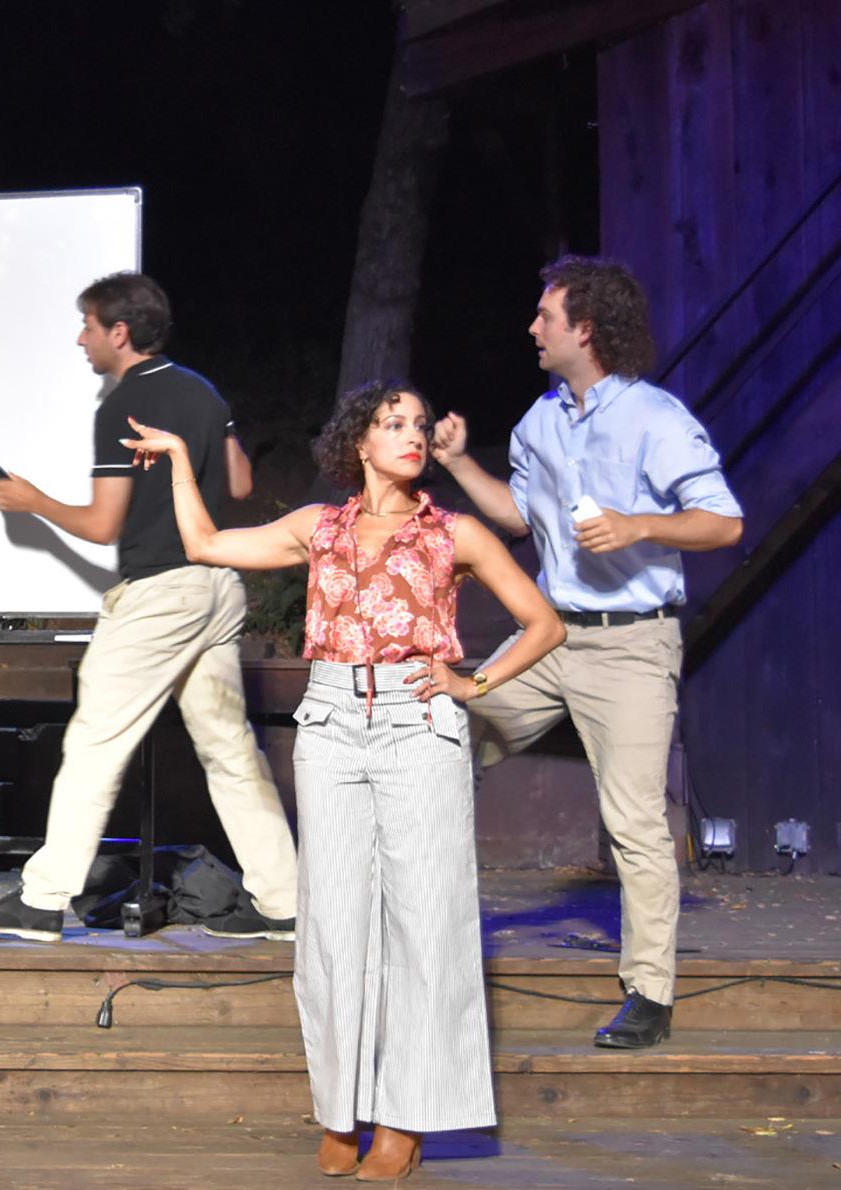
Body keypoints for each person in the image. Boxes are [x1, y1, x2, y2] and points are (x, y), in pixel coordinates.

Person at [123, 381, 564, 1181]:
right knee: (332, 925)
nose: (412, 435)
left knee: (425, 923)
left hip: (418, 724)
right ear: (359, 441)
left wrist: (473, 684)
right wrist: (183, 461)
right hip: (329, 724)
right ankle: (341, 1108)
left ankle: (406, 1117)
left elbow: (544, 623)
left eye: (419, 425)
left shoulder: (455, 532)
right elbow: (206, 545)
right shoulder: (318, 527)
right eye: (393, 423)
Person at [432, 255, 744, 1050]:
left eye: (546, 316)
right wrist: (459, 462)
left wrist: (640, 525)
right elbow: (518, 518)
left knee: (633, 819)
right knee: (441, 730)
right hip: (550, 636)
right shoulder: (539, 422)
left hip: (632, 646)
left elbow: (723, 522)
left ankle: (650, 995)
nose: (532, 328)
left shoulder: (655, 418)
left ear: (586, 328)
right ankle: (412, 922)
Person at [0, 271, 300, 944]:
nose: (80, 339)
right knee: (229, 750)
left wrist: (34, 503)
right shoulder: (202, 390)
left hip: (161, 594)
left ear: (119, 332)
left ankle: (42, 900)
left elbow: (102, 523)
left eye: (87, 326)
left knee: (95, 740)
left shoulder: (123, 404)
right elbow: (240, 481)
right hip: (218, 585)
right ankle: (284, 902)